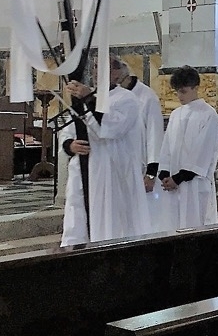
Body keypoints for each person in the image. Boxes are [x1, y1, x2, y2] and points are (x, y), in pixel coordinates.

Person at [59, 68, 151, 246]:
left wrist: (89, 99)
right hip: (84, 167)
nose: (97, 72)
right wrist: (70, 144)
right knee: (78, 220)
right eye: (95, 68)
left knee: (109, 221)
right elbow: (68, 130)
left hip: (111, 171)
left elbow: (111, 127)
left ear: (118, 74)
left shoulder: (127, 99)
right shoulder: (84, 98)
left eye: (106, 68)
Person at [158, 66, 218, 229]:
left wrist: (179, 178)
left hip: (194, 183)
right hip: (172, 183)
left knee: (194, 224)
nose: (179, 96)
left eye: (183, 91)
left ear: (195, 87)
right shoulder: (175, 114)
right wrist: (165, 174)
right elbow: (167, 146)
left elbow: (202, 152)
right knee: (171, 226)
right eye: (177, 92)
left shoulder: (208, 115)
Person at [114, 55, 167, 232]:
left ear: (122, 74)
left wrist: (151, 173)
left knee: (144, 218)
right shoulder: (110, 96)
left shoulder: (147, 97)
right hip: (118, 166)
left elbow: (154, 135)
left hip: (141, 167)